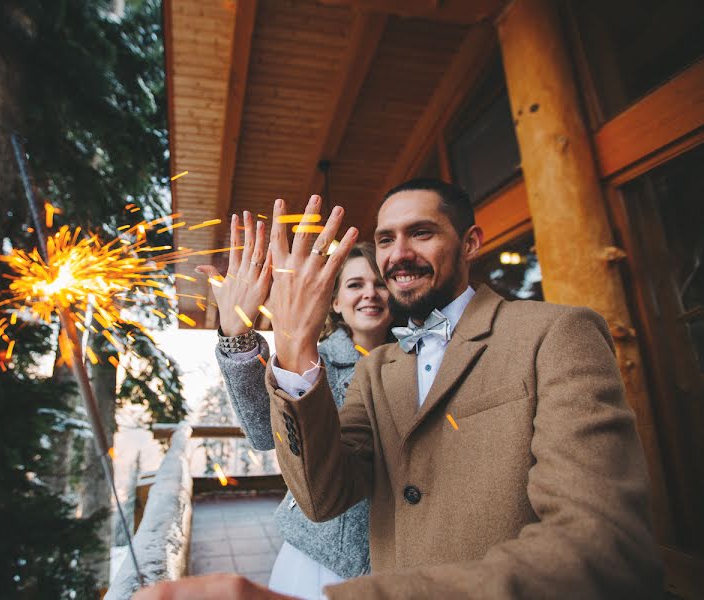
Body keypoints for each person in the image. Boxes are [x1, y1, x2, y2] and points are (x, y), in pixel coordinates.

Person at [136, 179, 662, 599]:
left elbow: (601, 545)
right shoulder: (379, 368)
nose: (398, 254)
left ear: (471, 242)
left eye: (422, 233)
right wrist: (287, 345)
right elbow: (321, 495)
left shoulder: (554, 332)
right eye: (386, 238)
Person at [196, 209, 394, 599]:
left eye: (380, 283)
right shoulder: (309, 360)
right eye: (355, 284)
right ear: (333, 301)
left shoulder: (421, 358)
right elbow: (262, 432)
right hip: (321, 555)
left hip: (403, 551)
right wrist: (236, 333)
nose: (369, 292)